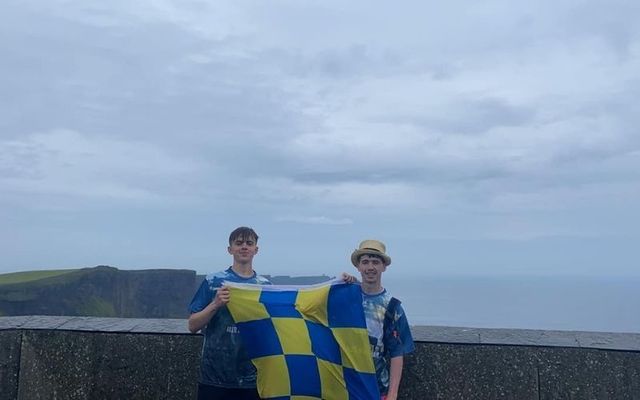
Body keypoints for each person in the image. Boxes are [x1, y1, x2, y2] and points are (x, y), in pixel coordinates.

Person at [188, 226, 271, 400]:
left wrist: (342, 284)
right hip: (213, 378)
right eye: (239, 243)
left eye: (249, 243)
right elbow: (193, 325)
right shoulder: (213, 281)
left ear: (256, 250)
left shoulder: (266, 287)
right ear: (230, 249)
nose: (244, 247)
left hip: (251, 378)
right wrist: (215, 304)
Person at [351, 239, 415, 400]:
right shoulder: (346, 298)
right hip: (346, 387)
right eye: (365, 262)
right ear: (358, 266)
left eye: (375, 262)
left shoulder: (392, 307)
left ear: (383, 267)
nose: (370, 267)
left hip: (378, 389)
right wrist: (341, 284)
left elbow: (397, 353)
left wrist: (392, 394)